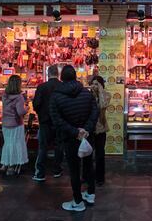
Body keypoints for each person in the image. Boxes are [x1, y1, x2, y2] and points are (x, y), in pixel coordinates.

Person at [49, 65, 99, 212]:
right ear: (76, 76)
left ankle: (78, 202)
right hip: (87, 136)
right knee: (89, 165)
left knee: (74, 169)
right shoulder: (86, 93)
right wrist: (86, 130)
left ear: (61, 78)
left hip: (70, 138)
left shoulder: (56, 96)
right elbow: (94, 112)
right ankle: (90, 193)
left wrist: (74, 132)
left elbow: (56, 119)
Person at [32, 65, 64, 182]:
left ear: (48, 73)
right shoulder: (62, 86)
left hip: (45, 122)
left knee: (43, 148)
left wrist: (41, 114)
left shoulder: (41, 87)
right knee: (59, 146)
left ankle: (40, 173)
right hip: (59, 122)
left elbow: (36, 105)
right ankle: (57, 170)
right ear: (58, 74)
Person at [0, 75, 29, 176]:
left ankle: (5, 164)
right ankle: (11, 167)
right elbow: (20, 112)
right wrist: (27, 109)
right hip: (16, 124)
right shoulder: (19, 97)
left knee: (7, 143)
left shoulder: (4, 95)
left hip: (5, 123)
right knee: (15, 144)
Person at [85, 76, 111, 186]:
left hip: (101, 128)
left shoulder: (106, 95)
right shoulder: (87, 95)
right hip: (89, 128)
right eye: (93, 84)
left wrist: (100, 91)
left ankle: (100, 178)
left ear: (101, 85)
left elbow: (103, 105)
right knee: (87, 154)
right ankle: (86, 176)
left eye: (97, 84)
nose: (94, 86)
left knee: (100, 154)